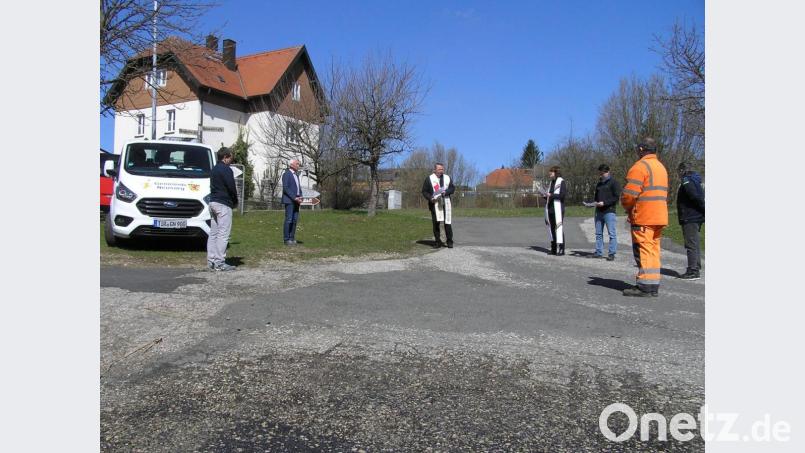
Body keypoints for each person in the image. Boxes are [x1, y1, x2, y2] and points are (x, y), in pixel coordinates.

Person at [620, 138, 669, 297]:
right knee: (653, 250)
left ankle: (644, 287)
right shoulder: (661, 167)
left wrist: (627, 207)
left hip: (644, 216)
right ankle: (652, 285)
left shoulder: (640, 167)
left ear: (641, 149)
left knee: (644, 250)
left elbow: (629, 195)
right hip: (659, 216)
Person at [207, 147, 238, 271]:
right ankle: (220, 262)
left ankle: (211, 260)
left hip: (213, 202)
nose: (231, 160)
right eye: (230, 158)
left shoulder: (214, 169)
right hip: (223, 203)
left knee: (213, 233)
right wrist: (235, 201)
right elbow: (231, 187)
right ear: (225, 157)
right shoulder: (226, 169)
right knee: (223, 234)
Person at [676, 162, 705, 280]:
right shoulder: (696, 179)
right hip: (696, 216)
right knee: (695, 243)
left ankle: (693, 270)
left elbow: (694, 196)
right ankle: (696, 266)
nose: (678, 174)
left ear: (682, 170)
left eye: (679, 171)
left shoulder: (687, 180)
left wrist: (703, 208)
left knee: (691, 244)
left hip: (690, 216)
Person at [421, 162, 455, 248]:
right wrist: (430, 198)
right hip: (435, 204)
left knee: (447, 222)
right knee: (436, 223)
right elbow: (424, 191)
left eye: (442, 169)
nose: (441, 171)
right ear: (435, 170)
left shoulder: (447, 178)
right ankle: (437, 241)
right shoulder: (429, 179)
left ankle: (449, 241)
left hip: (446, 203)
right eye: (439, 169)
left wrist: (446, 192)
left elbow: (452, 188)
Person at [592, 164, 621, 261]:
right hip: (599, 211)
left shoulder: (614, 183)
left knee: (611, 233)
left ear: (608, 172)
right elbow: (596, 197)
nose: (601, 175)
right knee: (598, 233)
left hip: (609, 211)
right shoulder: (599, 184)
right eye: (600, 173)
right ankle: (598, 252)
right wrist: (594, 203)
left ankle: (611, 253)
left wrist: (604, 203)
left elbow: (616, 197)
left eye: (602, 173)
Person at [542, 166, 566, 255]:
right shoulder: (551, 183)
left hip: (558, 208)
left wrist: (551, 195)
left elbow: (562, 195)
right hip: (550, 209)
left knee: (558, 227)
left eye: (551, 172)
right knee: (551, 228)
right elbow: (550, 196)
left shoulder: (561, 182)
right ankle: (554, 248)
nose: (549, 173)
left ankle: (561, 248)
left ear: (556, 172)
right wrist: (545, 196)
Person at [281, 159, 303, 246]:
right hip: (289, 200)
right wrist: (294, 198)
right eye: (297, 164)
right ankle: (286, 240)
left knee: (294, 220)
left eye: (298, 164)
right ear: (291, 165)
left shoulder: (296, 175)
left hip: (297, 200)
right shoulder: (287, 174)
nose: (298, 165)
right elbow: (286, 188)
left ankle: (292, 238)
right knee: (289, 219)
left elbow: (298, 187)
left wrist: (300, 196)